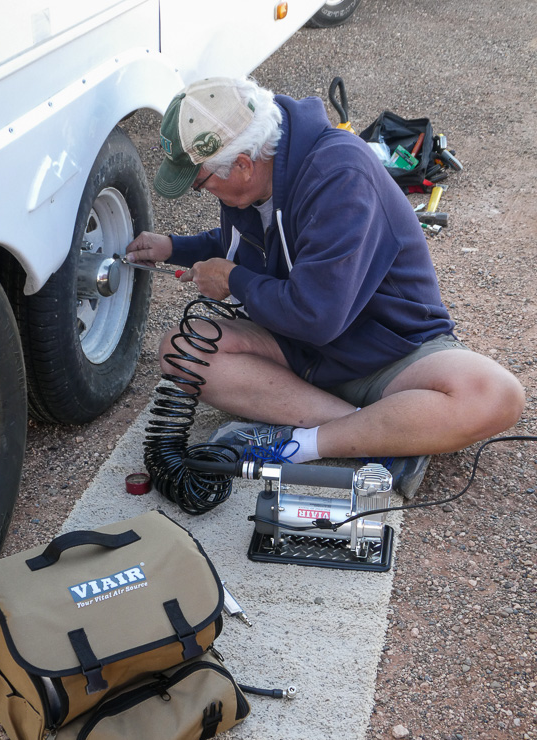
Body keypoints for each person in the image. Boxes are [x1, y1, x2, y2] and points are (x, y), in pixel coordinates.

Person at [126, 76, 524, 498]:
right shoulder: (263, 168)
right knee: (181, 348)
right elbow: (252, 242)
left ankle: (305, 444)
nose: (200, 190)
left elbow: (316, 317)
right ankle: (387, 435)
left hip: (388, 350)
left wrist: (231, 279)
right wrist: (175, 247)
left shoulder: (340, 176)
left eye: (200, 181)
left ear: (243, 164)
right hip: (299, 347)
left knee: (496, 395)